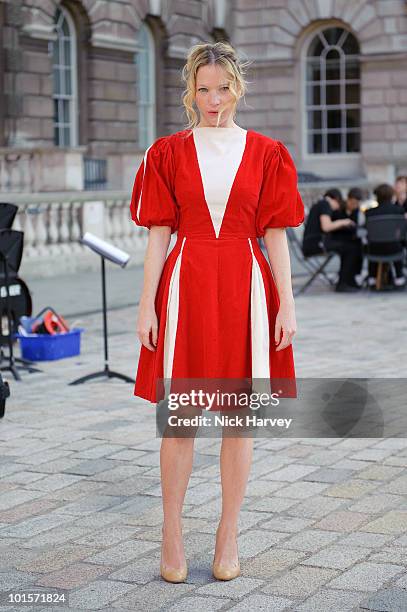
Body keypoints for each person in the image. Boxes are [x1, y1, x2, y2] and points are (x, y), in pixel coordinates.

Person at [130, 42, 305, 583]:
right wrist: (146, 303)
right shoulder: (167, 152)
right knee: (180, 420)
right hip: (185, 286)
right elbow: (160, 233)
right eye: (203, 88)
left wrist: (287, 303)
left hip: (249, 287)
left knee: (239, 420)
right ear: (190, 89)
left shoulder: (268, 152)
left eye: (222, 88)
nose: (213, 99)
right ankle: (172, 534)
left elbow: (275, 234)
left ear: (238, 88)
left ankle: (228, 533)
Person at [302, 188, 362, 292]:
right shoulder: (325, 204)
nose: (337, 208)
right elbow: (326, 226)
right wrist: (345, 221)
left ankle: (347, 281)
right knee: (350, 249)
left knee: (351, 246)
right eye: (338, 204)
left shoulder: (320, 204)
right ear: (336, 199)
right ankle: (342, 284)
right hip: (316, 244)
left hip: (312, 243)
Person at [365, 183, 406, 288]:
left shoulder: (369, 213)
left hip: (374, 250)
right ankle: (399, 276)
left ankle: (372, 278)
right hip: (394, 249)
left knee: (373, 244)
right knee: (397, 243)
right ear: (392, 196)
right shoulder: (399, 210)